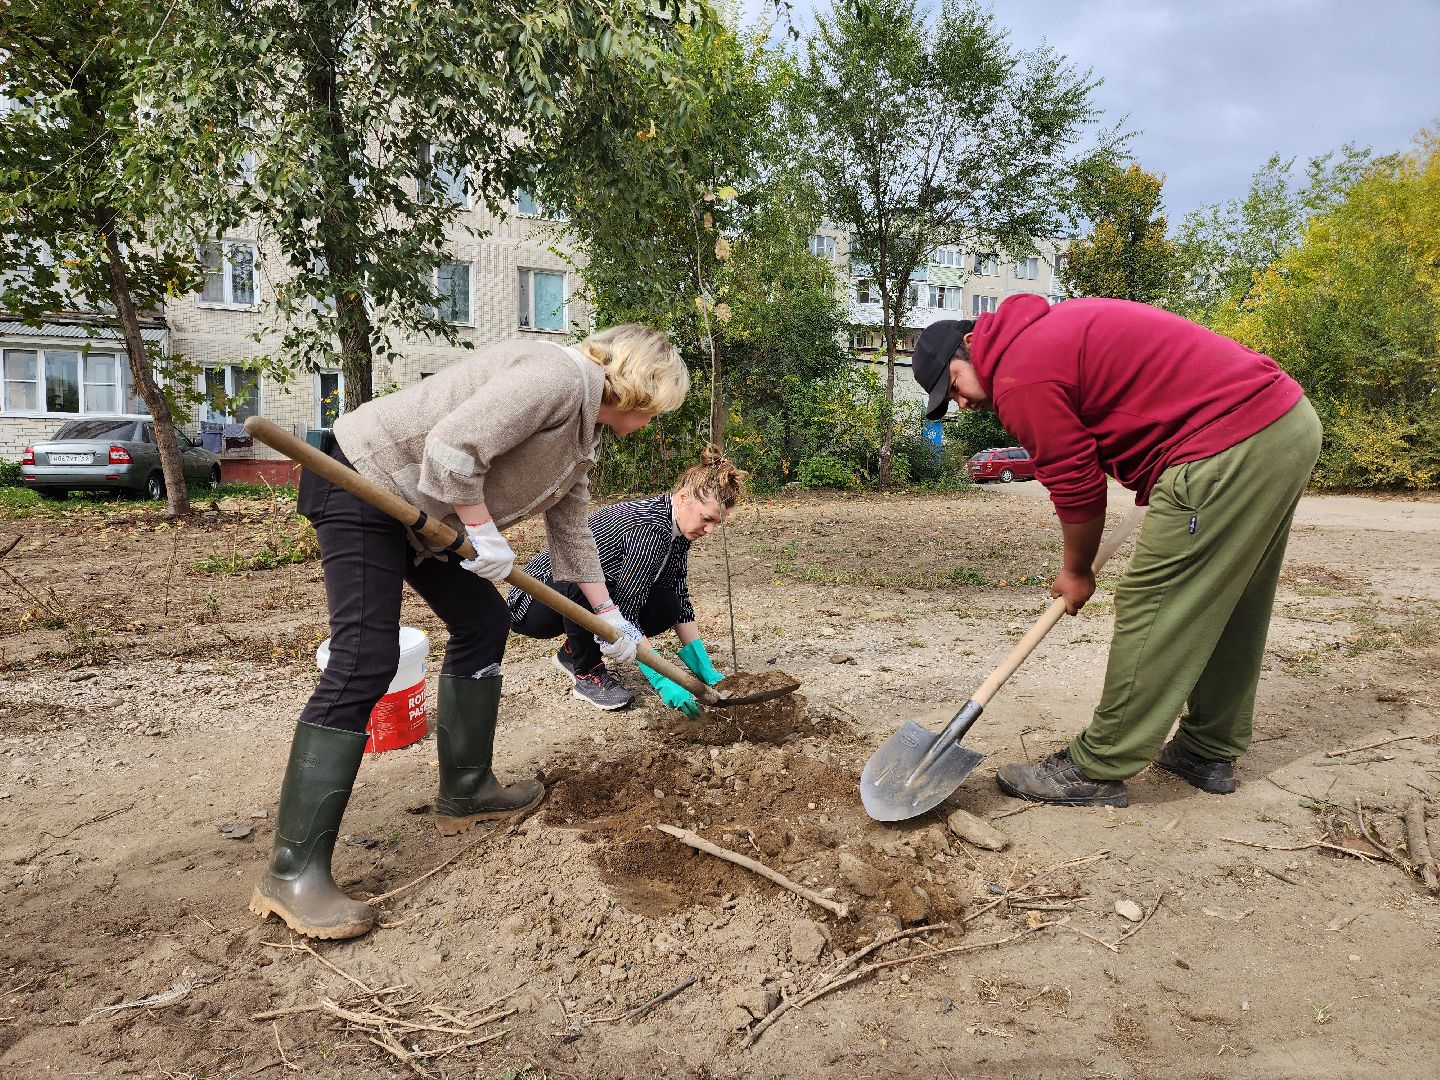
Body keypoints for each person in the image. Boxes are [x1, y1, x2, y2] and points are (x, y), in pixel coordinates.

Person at [250, 324, 689, 940]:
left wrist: (609, 614)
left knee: (483, 621)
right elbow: (453, 448)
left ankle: (467, 789)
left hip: (421, 511)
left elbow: (571, 528)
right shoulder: (555, 378)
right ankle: (291, 874)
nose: (651, 424)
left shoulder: (581, 429)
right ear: (638, 392)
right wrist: (483, 531)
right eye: (655, 412)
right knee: (365, 657)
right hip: (364, 480)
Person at [911, 294, 1321, 808]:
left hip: (1227, 442)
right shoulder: (1046, 331)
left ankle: (1099, 766)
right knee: (1229, 602)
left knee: (1156, 600)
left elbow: (1077, 486)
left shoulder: (1020, 375)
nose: (961, 404)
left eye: (953, 386)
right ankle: (1206, 749)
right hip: (1282, 424)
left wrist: (1076, 570)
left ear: (970, 346)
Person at [509, 446, 746, 715]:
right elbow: (627, 611)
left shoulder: (678, 529)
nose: (710, 530)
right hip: (535, 602)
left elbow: (678, 590)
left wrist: (702, 665)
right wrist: (663, 679)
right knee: (589, 582)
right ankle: (586, 672)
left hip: (586, 592)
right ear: (683, 498)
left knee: (667, 604)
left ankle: (573, 650)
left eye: (717, 523)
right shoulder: (649, 528)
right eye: (707, 519)